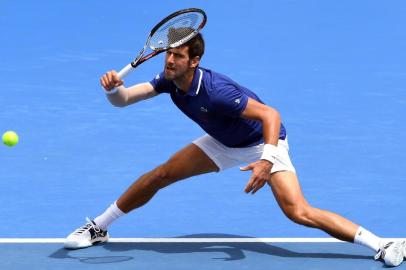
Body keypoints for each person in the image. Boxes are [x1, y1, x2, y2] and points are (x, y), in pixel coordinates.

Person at [64, 33, 405, 266]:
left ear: (194, 60)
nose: (169, 60)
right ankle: (99, 227)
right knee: (161, 174)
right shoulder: (168, 81)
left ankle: (383, 244)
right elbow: (124, 101)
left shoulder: (217, 92)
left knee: (298, 211)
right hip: (222, 142)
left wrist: (267, 160)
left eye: (177, 55)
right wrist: (113, 90)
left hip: (262, 143)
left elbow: (271, 114)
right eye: (168, 53)